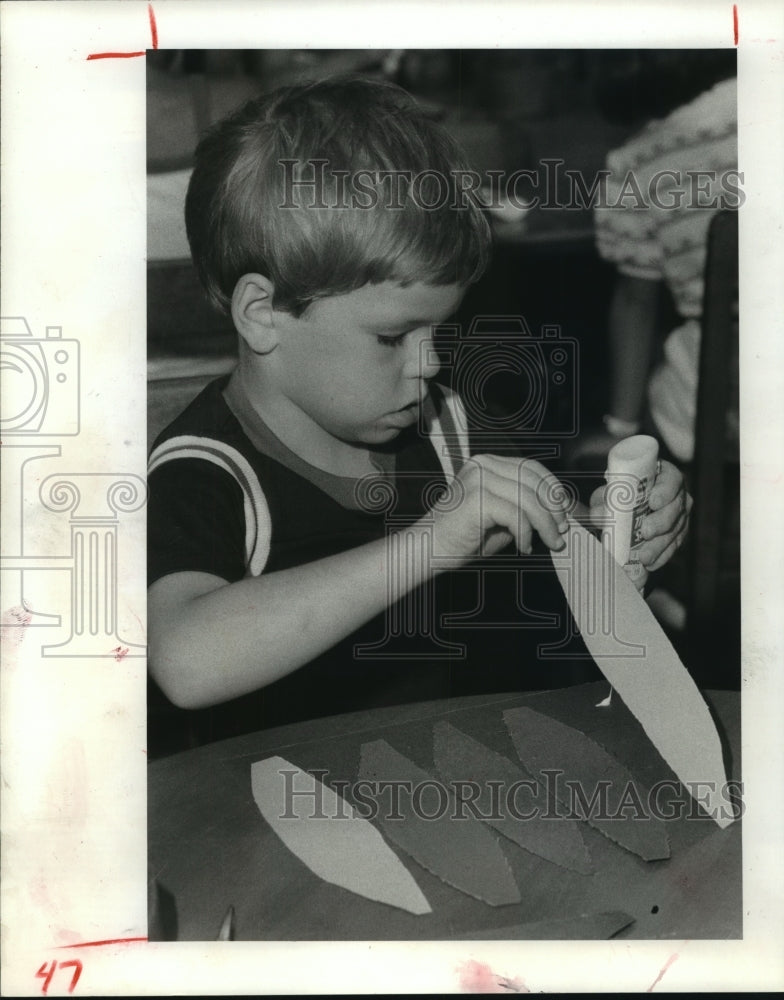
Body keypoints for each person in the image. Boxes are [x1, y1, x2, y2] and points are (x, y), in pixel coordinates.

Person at [147, 77, 691, 752]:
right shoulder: (205, 471)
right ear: (262, 315)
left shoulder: (448, 428)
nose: (430, 362)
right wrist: (430, 543)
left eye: (438, 330)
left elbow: (546, 541)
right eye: (391, 337)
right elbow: (185, 662)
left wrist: (616, 531)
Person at [584, 62, 739, 464]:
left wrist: (622, 427)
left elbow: (636, 303)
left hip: (728, 400)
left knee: (668, 397)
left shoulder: (635, 165)